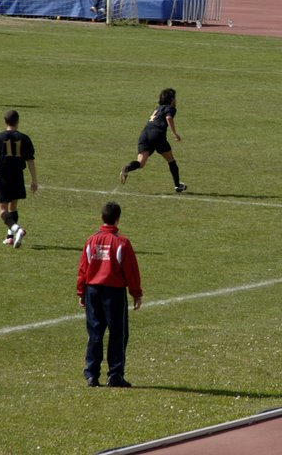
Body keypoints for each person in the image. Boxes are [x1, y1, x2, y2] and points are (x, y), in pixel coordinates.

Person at [76, 201, 142, 388]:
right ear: (118, 219)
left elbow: (83, 268)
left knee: (95, 333)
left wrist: (81, 291)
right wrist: (136, 293)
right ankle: (115, 374)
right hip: (113, 292)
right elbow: (130, 270)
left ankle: (91, 374)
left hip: (93, 290)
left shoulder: (92, 240)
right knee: (118, 333)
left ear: (101, 218)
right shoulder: (121, 242)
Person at [0, 109, 38, 247]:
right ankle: (9, 237)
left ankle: (16, 229)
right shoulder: (24, 138)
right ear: (18, 121)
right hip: (18, 176)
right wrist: (34, 180)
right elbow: (30, 160)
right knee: (13, 207)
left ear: (5, 121)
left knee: (2, 209)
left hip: (3, 177)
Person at [119, 88, 187, 193]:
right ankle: (178, 185)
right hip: (157, 135)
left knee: (140, 163)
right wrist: (174, 133)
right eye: (175, 98)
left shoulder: (158, 108)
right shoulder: (170, 108)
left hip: (144, 134)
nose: (176, 100)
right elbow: (169, 118)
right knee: (171, 160)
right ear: (171, 99)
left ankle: (127, 168)